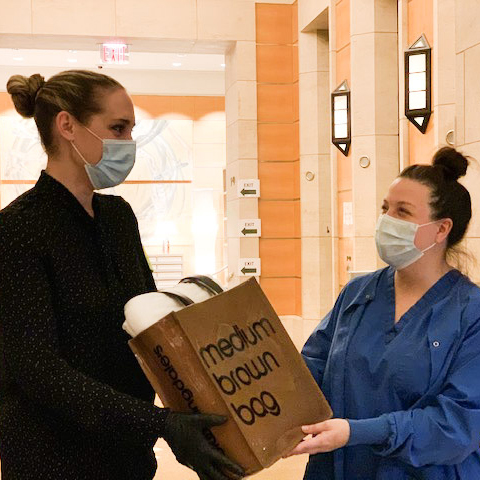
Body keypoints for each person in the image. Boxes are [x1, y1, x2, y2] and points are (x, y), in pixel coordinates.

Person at [0, 70, 244, 480]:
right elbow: (39, 370)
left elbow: (148, 327)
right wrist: (160, 424)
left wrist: (191, 404)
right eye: (118, 128)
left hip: (126, 454)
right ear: (67, 126)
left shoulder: (117, 217)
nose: (128, 143)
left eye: (131, 130)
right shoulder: (17, 230)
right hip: (52, 456)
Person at [287, 147, 480, 479]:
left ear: (440, 229)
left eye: (402, 212)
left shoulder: (469, 313)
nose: (387, 221)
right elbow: (309, 372)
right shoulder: (358, 294)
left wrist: (356, 432)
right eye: (385, 209)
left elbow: (457, 424)